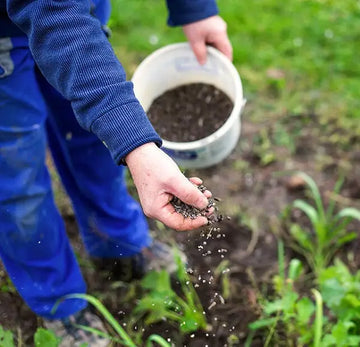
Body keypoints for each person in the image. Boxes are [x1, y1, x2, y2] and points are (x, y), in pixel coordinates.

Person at [0, 0, 232, 345]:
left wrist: (195, 9)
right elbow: (54, 13)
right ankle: (58, 300)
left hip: (80, 10)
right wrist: (136, 145)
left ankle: (117, 240)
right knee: (18, 179)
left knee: (93, 139)